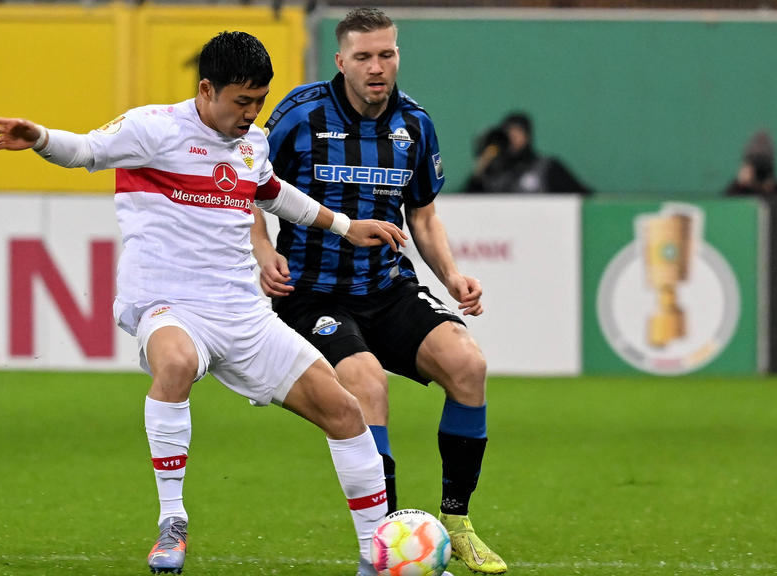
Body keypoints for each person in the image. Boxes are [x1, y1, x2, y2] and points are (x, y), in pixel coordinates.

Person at [0, 31, 404, 576]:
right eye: (241, 102)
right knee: (177, 362)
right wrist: (38, 136)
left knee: (345, 411)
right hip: (169, 303)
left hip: (243, 314)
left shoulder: (252, 144)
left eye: (259, 102)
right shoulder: (152, 128)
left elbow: (272, 191)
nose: (252, 115)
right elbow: (85, 151)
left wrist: (346, 227)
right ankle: (172, 521)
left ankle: (378, 557)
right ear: (206, 90)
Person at [251, 8, 507, 575]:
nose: (376, 67)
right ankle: (387, 540)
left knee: (468, 366)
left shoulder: (414, 123)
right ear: (340, 61)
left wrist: (452, 275)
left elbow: (423, 212)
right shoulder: (300, 114)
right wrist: (264, 252)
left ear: (397, 57)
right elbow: (248, 189)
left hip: (387, 288)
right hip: (313, 294)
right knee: (366, 382)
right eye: (363, 57)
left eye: (386, 54)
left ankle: (458, 524)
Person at [464, 111, 592, 195]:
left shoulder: (546, 167)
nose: (513, 139)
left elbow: (583, 196)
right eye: (509, 134)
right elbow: (467, 203)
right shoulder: (494, 173)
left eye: (517, 134)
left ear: (528, 136)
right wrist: (479, 173)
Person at [723, 129, 777, 197]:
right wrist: (739, 186)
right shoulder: (737, 190)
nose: (760, 172)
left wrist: (772, 191)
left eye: (765, 167)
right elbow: (722, 203)